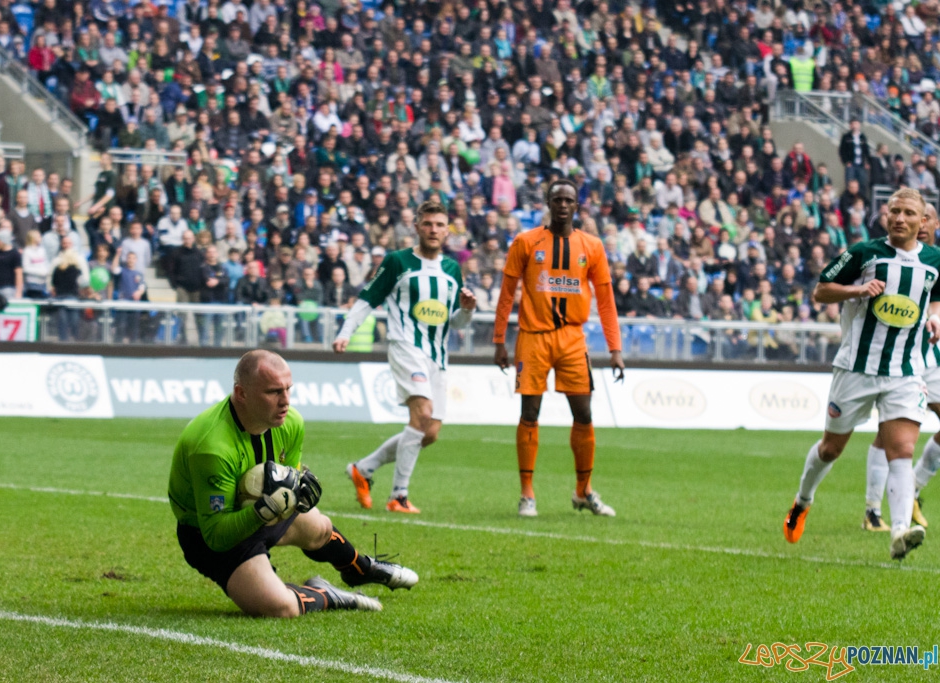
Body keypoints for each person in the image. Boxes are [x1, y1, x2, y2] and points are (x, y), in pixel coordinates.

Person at [169, 350, 418, 617]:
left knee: (318, 526)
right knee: (280, 607)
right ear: (241, 394)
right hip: (209, 537)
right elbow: (216, 536)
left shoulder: (291, 423)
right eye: (274, 392)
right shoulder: (211, 447)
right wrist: (263, 511)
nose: (285, 401)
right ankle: (328, 595)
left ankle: (361, 569)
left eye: (289, 389)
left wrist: (299, 494)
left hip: (262, 513)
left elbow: (288, 483)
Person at [784, 189, 940, 561]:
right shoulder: (864, 253)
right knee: (831, 449)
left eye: (908, 213)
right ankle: (802, 502)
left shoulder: (935, 261)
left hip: (905, 371)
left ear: (922, 223)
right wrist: (857, 288)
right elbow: (820, 290)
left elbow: (935, 298)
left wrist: (935, 317)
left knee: (901, 449)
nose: (899, 218)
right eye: (894, 211)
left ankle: (900, 529)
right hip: (856, 368)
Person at [333, 200, 477, 513]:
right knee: (422, 414)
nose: (434, 230)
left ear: (447, 228)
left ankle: (363, 469)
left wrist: (466, 309)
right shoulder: (397, 261)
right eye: (427, 224)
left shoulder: (452, 269)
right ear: (416, 227)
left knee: (430, 432)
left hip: (437, 356)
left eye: (440, 224)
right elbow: (368, 298)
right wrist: (346, 332)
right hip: (405, 347)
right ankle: (398, 496)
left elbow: (455, 321)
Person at [493, 179, 624, 518]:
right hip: (532, 338)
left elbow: (607, 301)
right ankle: (527, 494)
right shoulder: (526, 242)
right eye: (557, 199)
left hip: (572, 338)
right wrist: (498, 340)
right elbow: (507, 293)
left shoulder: (591, 246)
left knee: (584, 413)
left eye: (569, 200)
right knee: (530, 413)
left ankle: (584, 491)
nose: (563, 205)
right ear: (548, 204)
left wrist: (615, 348)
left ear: (576, 205)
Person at [863, 204, 940, 532]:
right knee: (889, 433)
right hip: (896, 357)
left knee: (892, 434)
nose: (919, 224)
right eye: (913, 217)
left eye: (925, 218)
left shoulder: (936, 262)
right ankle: (872, 511)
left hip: (929, 356)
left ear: (935, 222)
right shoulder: (888, 258)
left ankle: (914, 490)